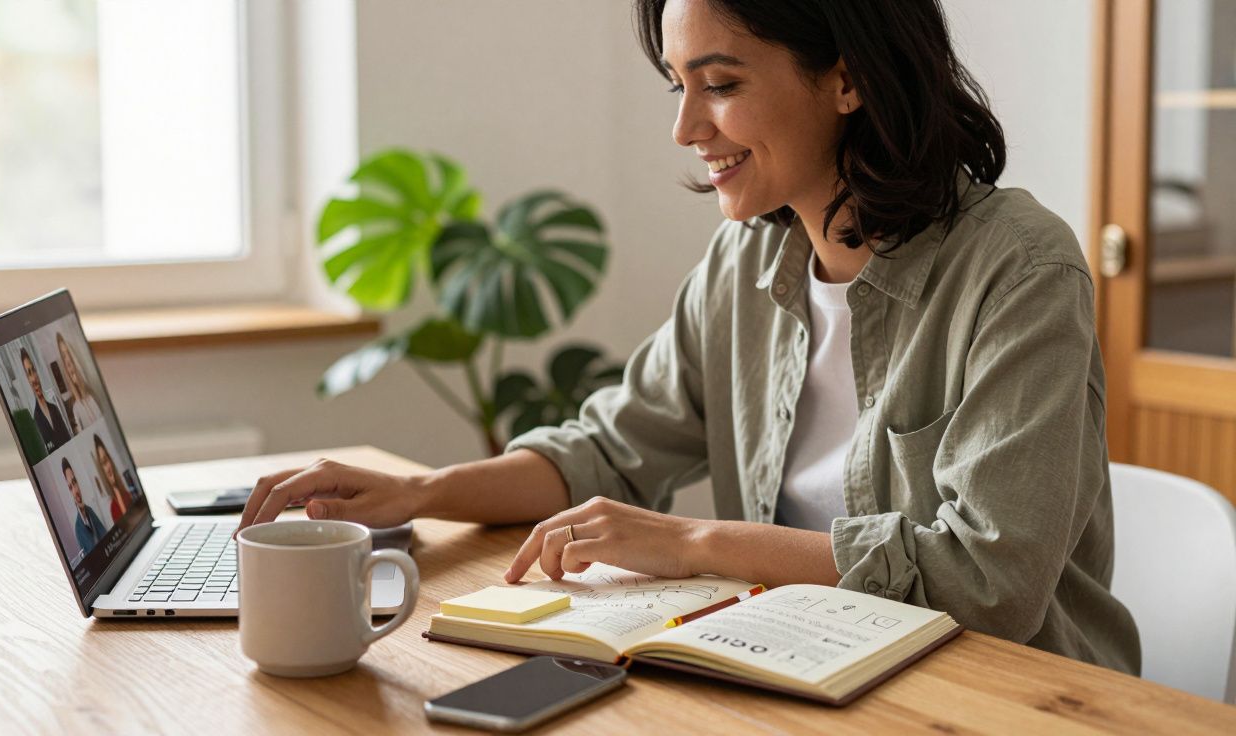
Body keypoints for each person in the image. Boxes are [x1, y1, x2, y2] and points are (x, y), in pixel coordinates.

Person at [237, 0, 1140, 674]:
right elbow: (610, 451)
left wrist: (695, 542)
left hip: (1007, 697)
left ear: (847, 77)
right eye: (679, 86)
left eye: (721, 84)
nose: (684, 127)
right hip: (812, 673)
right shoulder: (740, 267)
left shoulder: (1019, 270)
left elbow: (991, 582)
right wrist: (419, 492)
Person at [21, 348, 72, 453]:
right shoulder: (35, 420)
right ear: (26, 380)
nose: (34, 379)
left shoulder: (55, 408)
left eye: (33, 370)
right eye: (29, 374)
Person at [56, 333, 103, 433]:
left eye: (68, 353)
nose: (68, 361)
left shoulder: (93, 394)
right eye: (64, 356)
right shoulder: (75, 409)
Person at [63, 458, 107, 554]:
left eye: (74, 482)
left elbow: (105, 536)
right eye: (70, 487)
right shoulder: (78, 529)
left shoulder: (89, 510)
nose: (75, 491)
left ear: (78, 482)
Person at [93, 434, 133, 522]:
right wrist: (115, 490)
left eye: (106, 460)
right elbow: (129, 525)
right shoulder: (112, 508)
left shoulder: (126, 493)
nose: (107, 468)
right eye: (103, 463)